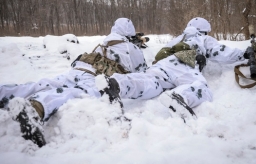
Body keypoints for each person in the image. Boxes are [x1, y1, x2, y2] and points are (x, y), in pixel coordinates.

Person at [0, 17, 148, 147]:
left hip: (79, 69)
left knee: (47, 83)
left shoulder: (108, 40)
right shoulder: (132, 48)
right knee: (75, 93)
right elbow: (143, 75)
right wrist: (137, 47)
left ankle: (5, 93)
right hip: (93, 77)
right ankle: (36, 107)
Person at [103, 17, 245, 118]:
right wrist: (245, 54)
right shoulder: (202, 38)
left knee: (151, 82)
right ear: (204, 31)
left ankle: (119, 84)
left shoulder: (177, 39)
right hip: (185, 64)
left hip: (163, 65)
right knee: (201, 87)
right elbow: (221, 52)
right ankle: (181, 97)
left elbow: (161, 54)